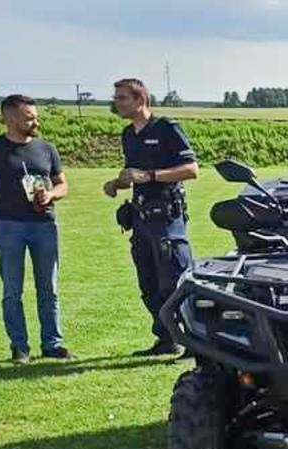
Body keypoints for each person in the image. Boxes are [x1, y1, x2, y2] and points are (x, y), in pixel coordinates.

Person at [0, 94, 73, 363]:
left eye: (36, 116)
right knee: (12, 290)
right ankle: (19, 346)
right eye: (29, 118)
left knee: (49, 288)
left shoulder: (46, 148)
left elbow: (63, 184)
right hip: (8, 227)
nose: (35, 121)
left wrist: (51, 195)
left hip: (44, 226)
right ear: (10, 119)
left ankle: (52, 344)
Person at [103, 78, 199, 356]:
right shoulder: (129, 134)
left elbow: (191, 169)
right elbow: (134, 174)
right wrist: (117, 183)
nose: (117, 103)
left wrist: (151, 175)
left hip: (166, 217)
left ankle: (193, 342)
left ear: (140, 99)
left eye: (122, 98)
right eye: (116, 97)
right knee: (149, 282)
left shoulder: (166, 128)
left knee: (174, 278)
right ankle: (167, 338)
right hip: (141, 218)